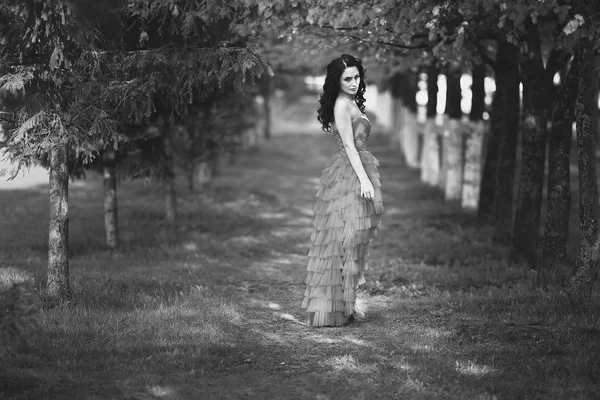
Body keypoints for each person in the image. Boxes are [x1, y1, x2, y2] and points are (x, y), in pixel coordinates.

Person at [301, 54, 384, 327]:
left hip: (357, 169)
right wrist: (364, 180)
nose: (353, 82)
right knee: (344, 242)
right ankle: (335, 307)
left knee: (354, 243)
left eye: (357, 77)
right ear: (336, 81)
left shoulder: (351, 102)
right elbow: (349, 146)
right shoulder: (341, 105)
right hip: (351, 174)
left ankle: (347, 304)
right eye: (347, 78)